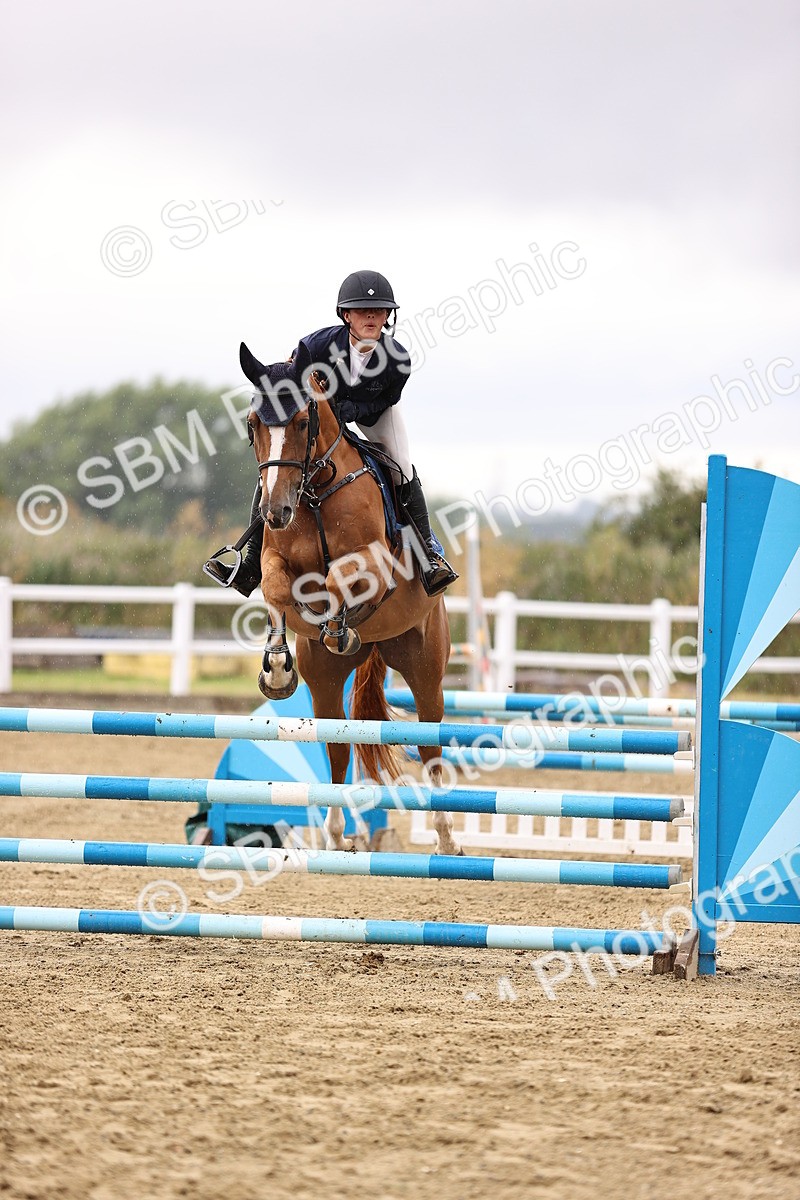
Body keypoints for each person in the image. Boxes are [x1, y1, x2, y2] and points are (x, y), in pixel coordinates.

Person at [203, 269, 458, 597]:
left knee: (401, 468)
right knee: (278, 466)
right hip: (319, 418)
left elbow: (388, 399)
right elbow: (290, 379)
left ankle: (429, 554)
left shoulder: (398, 359)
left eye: (378, 310)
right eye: (362, 311)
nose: (370, 316)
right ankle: (251, 562)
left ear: (387, 317)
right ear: (346, 315)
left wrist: (356, 411)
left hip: (375, 415)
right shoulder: (317, 345)